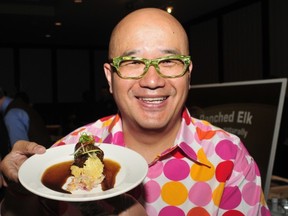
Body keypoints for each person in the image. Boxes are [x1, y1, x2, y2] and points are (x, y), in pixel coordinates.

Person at [0, 8, 271, 216]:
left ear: (188, 74)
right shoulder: (69, 151)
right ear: (110, 76)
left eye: (169, 61)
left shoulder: (230, 159)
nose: (152, 80)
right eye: (131, 62)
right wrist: (18, 192)